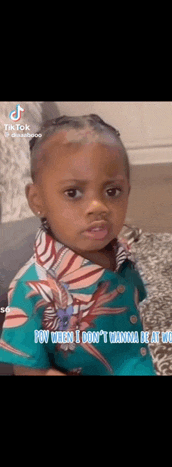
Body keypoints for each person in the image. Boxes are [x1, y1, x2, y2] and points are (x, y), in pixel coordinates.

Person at [0, 114, 156, 375]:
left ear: (127, 190)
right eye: (73, 193)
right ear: (37, 200)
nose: (98, 207)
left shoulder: (121, 254)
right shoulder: (32, 291)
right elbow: (29, 371)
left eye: (112, 191)